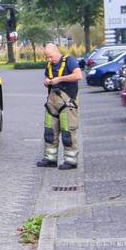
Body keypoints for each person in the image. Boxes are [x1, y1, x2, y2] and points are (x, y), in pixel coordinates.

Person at [37, 42, 83, 170]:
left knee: (68, 131)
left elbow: (78, 75)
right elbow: (47, 77)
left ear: (57, 51)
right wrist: (46, 81)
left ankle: (71, 161)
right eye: (47, 57)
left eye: (50, 56)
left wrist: (60, 79)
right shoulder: (49, 65)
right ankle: (50, 158)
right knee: (49, 131)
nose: (49, 59)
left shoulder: (69, 60)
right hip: (52, 102)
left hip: (67, 102)